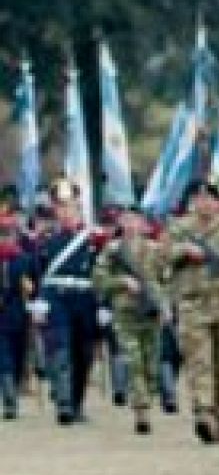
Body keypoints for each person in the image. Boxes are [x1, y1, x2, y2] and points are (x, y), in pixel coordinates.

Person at [166, 179, 219, 444]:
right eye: (199, 198)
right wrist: (182, 251)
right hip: (193, 304)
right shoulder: (179, 229)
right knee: (199, 362)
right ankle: (204, 413)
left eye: (210, 198)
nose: (204, 203)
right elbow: (160, 256)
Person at [29, 181, 103, 425]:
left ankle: (77, 402)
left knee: (83, 354)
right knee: (60, 350)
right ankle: (64, 404)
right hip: (56, 299)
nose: (66, 212)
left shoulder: (94, 238)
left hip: (85, 299)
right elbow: (38, 273)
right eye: (61, 208)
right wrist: (38, 302)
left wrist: (104, 305)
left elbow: (102, 273)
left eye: (70, 207)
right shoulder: (46, 239)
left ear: (79, 208)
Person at [92, 205, 167, 434]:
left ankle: (148, 398)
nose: (131, 224)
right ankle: (141, 410)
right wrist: (121, 282)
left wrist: (165, 306)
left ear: (143, 224)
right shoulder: (112, 251)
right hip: (125, 312)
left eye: (135, 220)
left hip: (151, 312)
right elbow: (98, 279)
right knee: (133, 361)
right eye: (127, 220)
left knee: (151, 364)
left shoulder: (155, 250)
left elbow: (166, 279)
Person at [0, 192, 35, 418]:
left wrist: (34, 300)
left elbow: (34, 284)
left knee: (18, 354)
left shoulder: (23, 259)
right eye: (2, 234)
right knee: (3, 358)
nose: (5, 239)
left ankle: (16, 385)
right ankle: (9, 399)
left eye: (8, 234)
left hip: (18, 314)